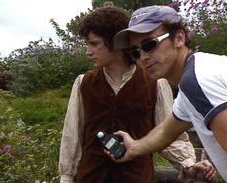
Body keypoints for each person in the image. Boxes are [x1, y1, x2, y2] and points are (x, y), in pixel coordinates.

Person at [59, 6, 216, 183]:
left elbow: (169, 134)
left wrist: (188, 164)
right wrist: (66, 177)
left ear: (115, 43)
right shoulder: (83, 83)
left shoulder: (155, 83)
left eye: (94, 43)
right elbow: (71, 137)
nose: (88, 51)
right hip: (90, 177)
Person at [110, 5, 227, 182]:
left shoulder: (197, 81)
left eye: (149, 45)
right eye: (135, 52)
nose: (143, 57)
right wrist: (134, 147)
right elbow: (165, 133)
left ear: (179, 38)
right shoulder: (191, 85)